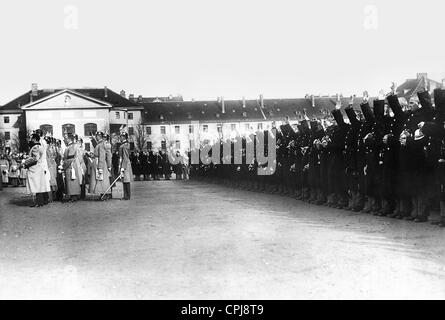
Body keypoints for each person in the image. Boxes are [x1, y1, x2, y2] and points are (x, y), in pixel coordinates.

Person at [25, 133, 51, 207]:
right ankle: (41, 201)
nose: (31, 140)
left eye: (32, 138)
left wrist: (26, 162)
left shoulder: (35, 147)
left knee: (36, 185)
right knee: (39, 185)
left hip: (35, 168)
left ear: (34, 139)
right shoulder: (40, 147)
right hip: (39, 168)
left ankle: (38, 202)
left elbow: (35, 158)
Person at [89, 132, 112, 200]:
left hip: (100, 162)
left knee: (102, 179)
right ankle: (103, 194)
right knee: (100, 179)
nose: (96, 137)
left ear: (100, 136)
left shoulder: (101, 144)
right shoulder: (100, 143)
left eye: (97, 136)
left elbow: (102, 156)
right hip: (98, 161)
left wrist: (100, 167)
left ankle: (104, 194)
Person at [63, 133, 81, 202]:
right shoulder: (71, 146)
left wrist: (64, 166)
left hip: (70, 166)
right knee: (71, 181)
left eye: (65, 138)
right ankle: (73, 195)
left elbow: (70, 158)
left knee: (71, 181)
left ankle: (73, 196)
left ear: (69, 139)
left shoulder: (71, 147)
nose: (64, 139)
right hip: (71, 165)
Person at [119, 133, 133, 200]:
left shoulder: (125, 145)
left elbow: (125, 157)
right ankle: (125, 195)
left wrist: (123, 167)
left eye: (121, 137)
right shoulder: (123, 145)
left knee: (126, 180)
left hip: (125, 163)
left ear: (124, 137)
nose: (120, 138)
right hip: (123, 162)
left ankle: (127, 195)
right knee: (124, 179)